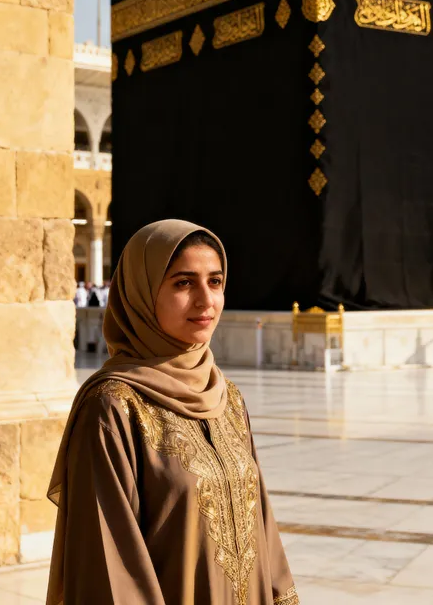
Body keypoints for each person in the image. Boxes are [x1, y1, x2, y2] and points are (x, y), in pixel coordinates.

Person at [46, 220, 299, 605]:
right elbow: (109, 565)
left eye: (215, 282)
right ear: (142, 295)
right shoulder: (112, 407)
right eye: (183, 283)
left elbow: (262, 526)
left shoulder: (226, 397)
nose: (205, 300)